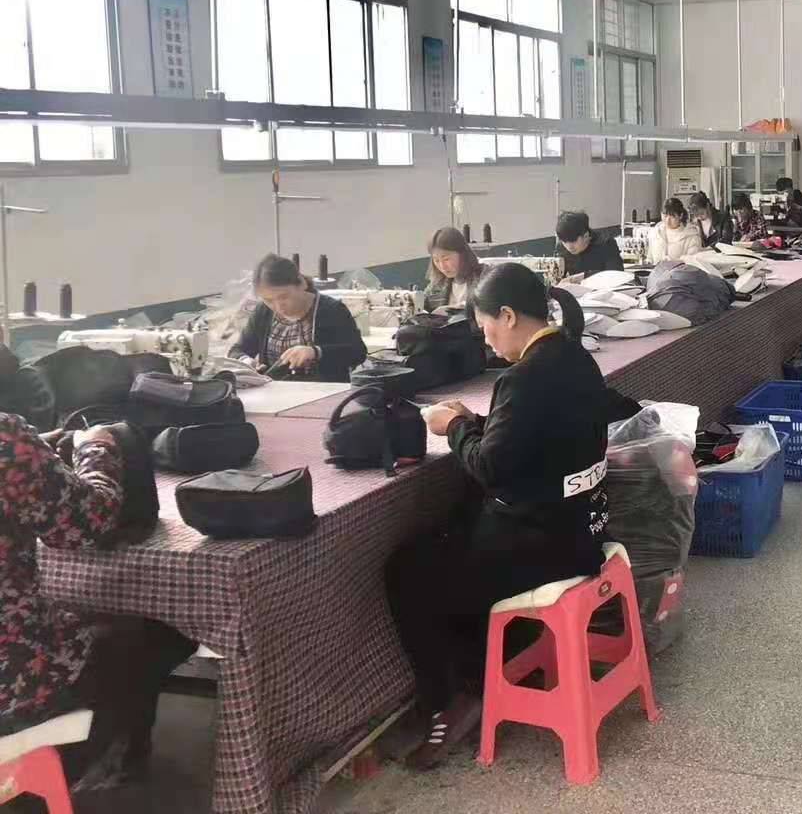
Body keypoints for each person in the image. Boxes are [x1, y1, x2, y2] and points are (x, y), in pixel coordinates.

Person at [385, 266, 611, 770]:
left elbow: (490, 468)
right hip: (583, 528)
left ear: (507, 315)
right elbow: (539, 433)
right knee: (450, 541)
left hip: (545, 547)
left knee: (408, 569)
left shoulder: (524, 376)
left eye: (485, 325)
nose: (486, 339)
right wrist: (481, 423)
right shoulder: (573, 355)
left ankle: (448, 699)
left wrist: (454, 426)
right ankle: (486, 670)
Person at [0, 414, 195, 791]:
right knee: (151, 630)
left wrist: (34, 451)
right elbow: (90, 522)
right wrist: (97, 447)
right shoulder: (6, 441)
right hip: (14, 692)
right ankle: (86, 768)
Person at [232, 254, 366, 382]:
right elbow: (237, 350)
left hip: (323, 392)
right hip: (275, 392)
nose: (278, 306)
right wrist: (246, 362)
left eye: (283, 297)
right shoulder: (263, 311)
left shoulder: (331, 310)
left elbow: (357, 352)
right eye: (268, 300)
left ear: (302, 283)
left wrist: (316, 352)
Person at [423, 226, 485, 312]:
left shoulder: (485, 277)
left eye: (446, 259)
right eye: (436, 260)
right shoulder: (435, 286)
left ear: (462, 254)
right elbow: (422, 306)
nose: (442, 266)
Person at [554, 211, 625, 280]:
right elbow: (558, 277)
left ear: (586, 236)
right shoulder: (561, 247)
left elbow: (616, 274)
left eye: (573, 241)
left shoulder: (606, 243)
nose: (569, 247)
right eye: (564, 242)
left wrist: (584, 276)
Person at [648, 198, 703, 263]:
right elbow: (649, 257)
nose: (667, 221)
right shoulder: (657, 232)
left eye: (672, 217)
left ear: (680, 216)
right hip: (656, 269)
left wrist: (673, 261)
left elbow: (692, 262)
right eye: (665, 216)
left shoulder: (691, 236)